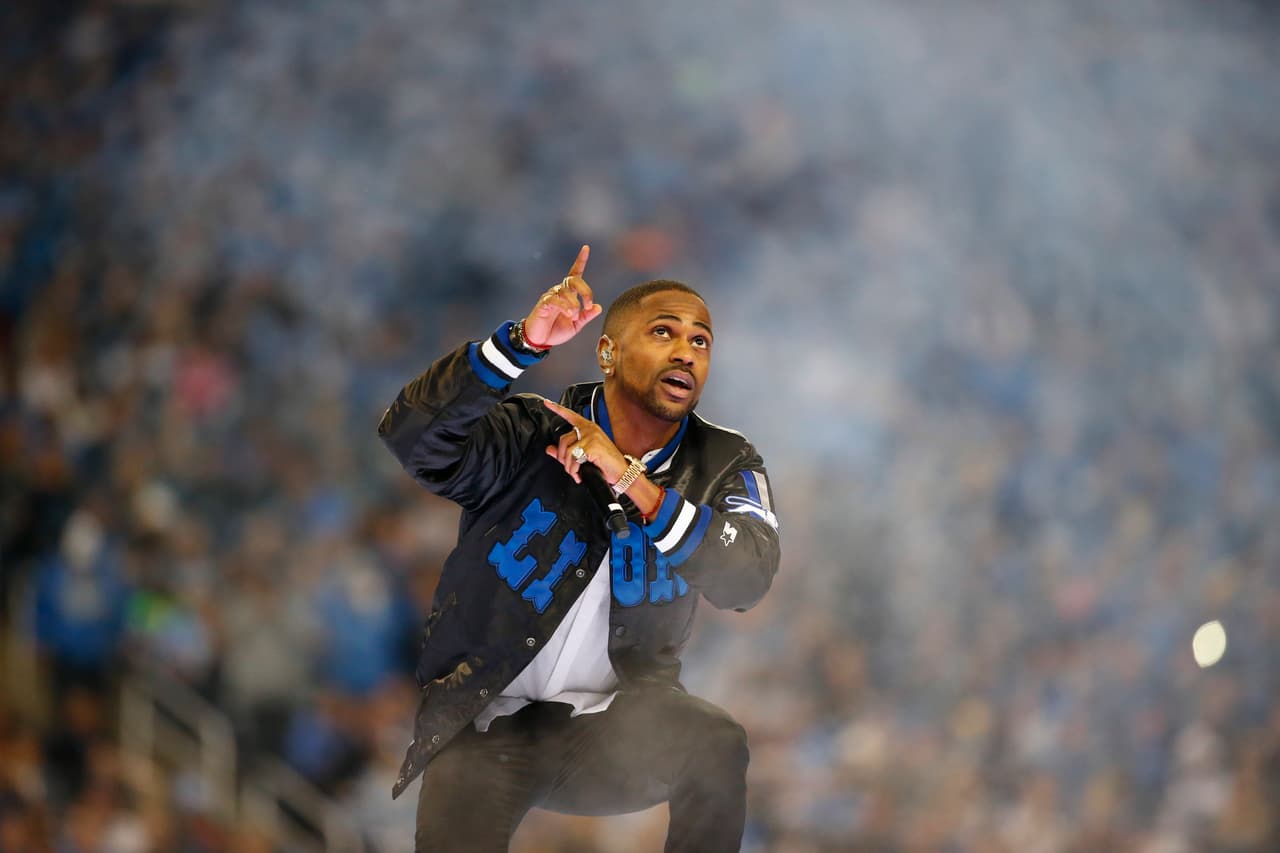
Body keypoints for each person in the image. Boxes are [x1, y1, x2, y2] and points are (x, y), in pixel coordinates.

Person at [378, 245, 781, 852]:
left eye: (701, 341)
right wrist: (518, 345)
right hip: (484, 720)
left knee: (715, 742)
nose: (686, 352)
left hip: (615, 728)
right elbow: (411, 436)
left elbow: (746, 578)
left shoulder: (725, 460)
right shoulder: (533, 430)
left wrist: (629, 479)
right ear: (608, 352)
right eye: (664, 332)